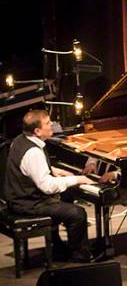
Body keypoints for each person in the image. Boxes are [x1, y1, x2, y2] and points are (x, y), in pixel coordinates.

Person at [3, 109, 97, 262]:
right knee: (77, 214)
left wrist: (53, 170)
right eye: (47, 123)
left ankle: (58, 246)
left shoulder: (20, 140)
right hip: (28, 204)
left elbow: (28, 168)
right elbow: (47, 186)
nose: (52, 124)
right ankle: (79, 254)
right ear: (37, 131)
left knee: (67, 195)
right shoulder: (33, 152)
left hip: (18, 198)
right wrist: (77, 179)